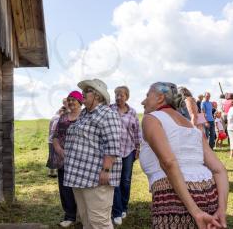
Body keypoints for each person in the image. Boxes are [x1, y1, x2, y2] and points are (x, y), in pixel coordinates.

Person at [139, 82, 228, 229]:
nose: (143, 101)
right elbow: (219, 170)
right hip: (209, 193)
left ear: (160, 98)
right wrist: (221, 209)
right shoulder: (190, 126)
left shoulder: (151, 118)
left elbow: (168, 162)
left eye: (147, 96)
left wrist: (196, 212)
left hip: (174, 197)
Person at [64, 78, 122, 229]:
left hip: (96, 177)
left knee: (99, 222)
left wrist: (106, 170)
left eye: (86, 91)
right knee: (87, 220)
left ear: (97, 95)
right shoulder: (85, 114)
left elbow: (113, 145)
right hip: (80, 175)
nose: (82, 94)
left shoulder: (107, 114)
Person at [110, 86, 142, 226]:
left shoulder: (132, 112)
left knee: (126, 180)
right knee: (114, 181)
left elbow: (137, 131)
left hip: (129, 149)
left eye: (121, 95)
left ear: (126, 97)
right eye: (116, 94)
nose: (118, 97)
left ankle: (124, 207)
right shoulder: (109, 109)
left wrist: (138, 147)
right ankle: (116, 211)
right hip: (113, 151)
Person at [52, 91, 83, 228]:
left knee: (81, 188)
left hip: (82, 158)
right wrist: (59, 150)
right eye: (69, 100)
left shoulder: (85, 116)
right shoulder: (63, 117)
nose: (71, 102)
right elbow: (55, 136)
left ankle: (83, 216)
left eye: (73, 100)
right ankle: (69, 216)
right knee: (65, 188)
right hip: (63, 158)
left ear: (80, 102)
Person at [46, 105, 66, 177]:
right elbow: (55, 130)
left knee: (52, 155)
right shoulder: (57, 118)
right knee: (55, 156)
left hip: (51, 139)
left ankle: (51, 171)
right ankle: (53, 172)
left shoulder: (53, 117)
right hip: (55, 140)